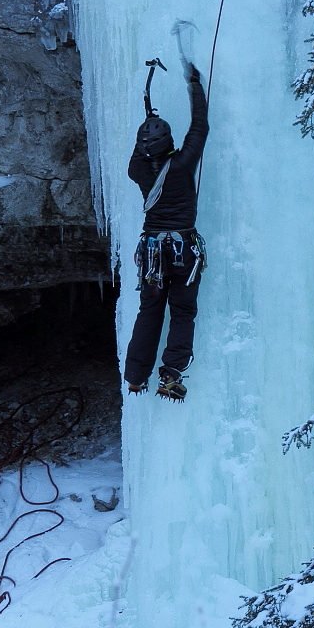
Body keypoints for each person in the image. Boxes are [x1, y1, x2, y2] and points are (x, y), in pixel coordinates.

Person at [124, 61, 208, 401]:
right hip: (184, 250)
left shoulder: (136, 169)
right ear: (169, 141)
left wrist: (146, 128)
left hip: (152, 253)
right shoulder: (183, 163)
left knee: (150, 310)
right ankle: (170, 374)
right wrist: (194, 84)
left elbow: (139, 151)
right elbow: (199, 128)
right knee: (183, 310)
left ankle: (135, 376)